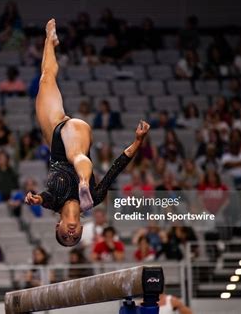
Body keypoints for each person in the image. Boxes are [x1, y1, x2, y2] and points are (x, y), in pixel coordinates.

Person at [24, 20, 150, 247]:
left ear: (58, 225)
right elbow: (116, 168)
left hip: (55, 138)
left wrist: (36, 198)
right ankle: (83, 180)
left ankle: (49, 40)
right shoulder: (95, 199)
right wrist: (138, 141)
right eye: (76, 237)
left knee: (45, 78)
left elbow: (43, 198)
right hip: (76, 137)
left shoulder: (52, 201)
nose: (71, 233)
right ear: (82, 228)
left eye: (65, 236)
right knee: (77, 156)